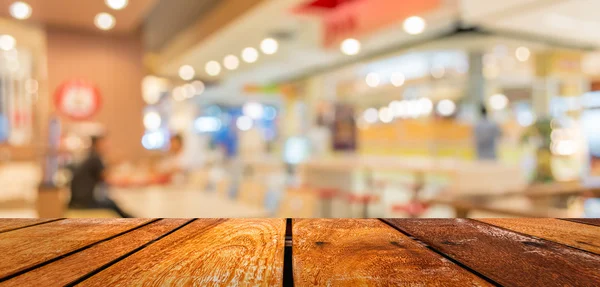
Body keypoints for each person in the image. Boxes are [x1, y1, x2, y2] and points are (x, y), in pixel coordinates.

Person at [69, 135, 131, 217]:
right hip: (84, 202)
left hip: (78, 201)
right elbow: (108, 179)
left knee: (111, 203)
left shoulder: (91, 157)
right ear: (97, 144)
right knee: (112, 205)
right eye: (104, 143)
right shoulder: (95, 158)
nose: (107, 146)